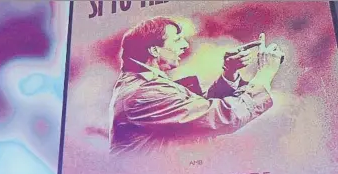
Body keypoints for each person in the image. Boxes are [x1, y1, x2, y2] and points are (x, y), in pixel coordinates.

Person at [109, 17, 285, 153]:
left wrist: (229, 72)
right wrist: (265, 73)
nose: (185, 45)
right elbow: (222, 116)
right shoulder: (143, 94)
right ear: (154, 50)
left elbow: (197, 112)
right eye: (177, 40)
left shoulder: (146, 85)